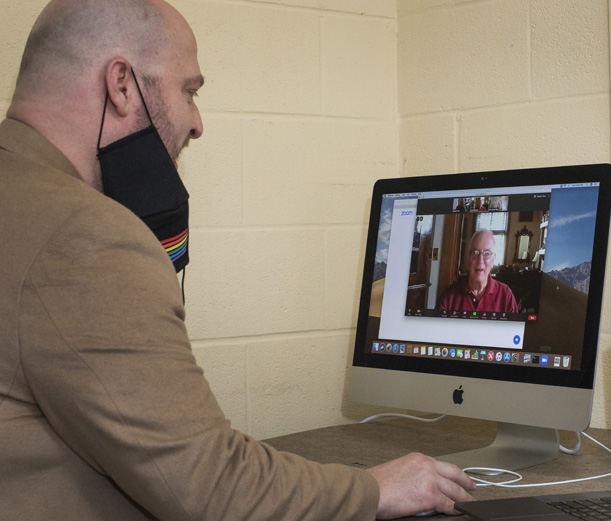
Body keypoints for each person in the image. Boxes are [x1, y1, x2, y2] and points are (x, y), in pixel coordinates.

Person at [0, 1, 476, 519]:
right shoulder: (83, 235)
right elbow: (213, 488)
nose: (197, 123)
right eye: (189, 91)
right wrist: (376, 489)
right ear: (121, 84)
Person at [437, 229, 518, 313]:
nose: (480, 260)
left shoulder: (505, 294)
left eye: (486, 253)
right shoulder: (449, 296)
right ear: (468, 258)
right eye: (475, 252)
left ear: (493, 259)